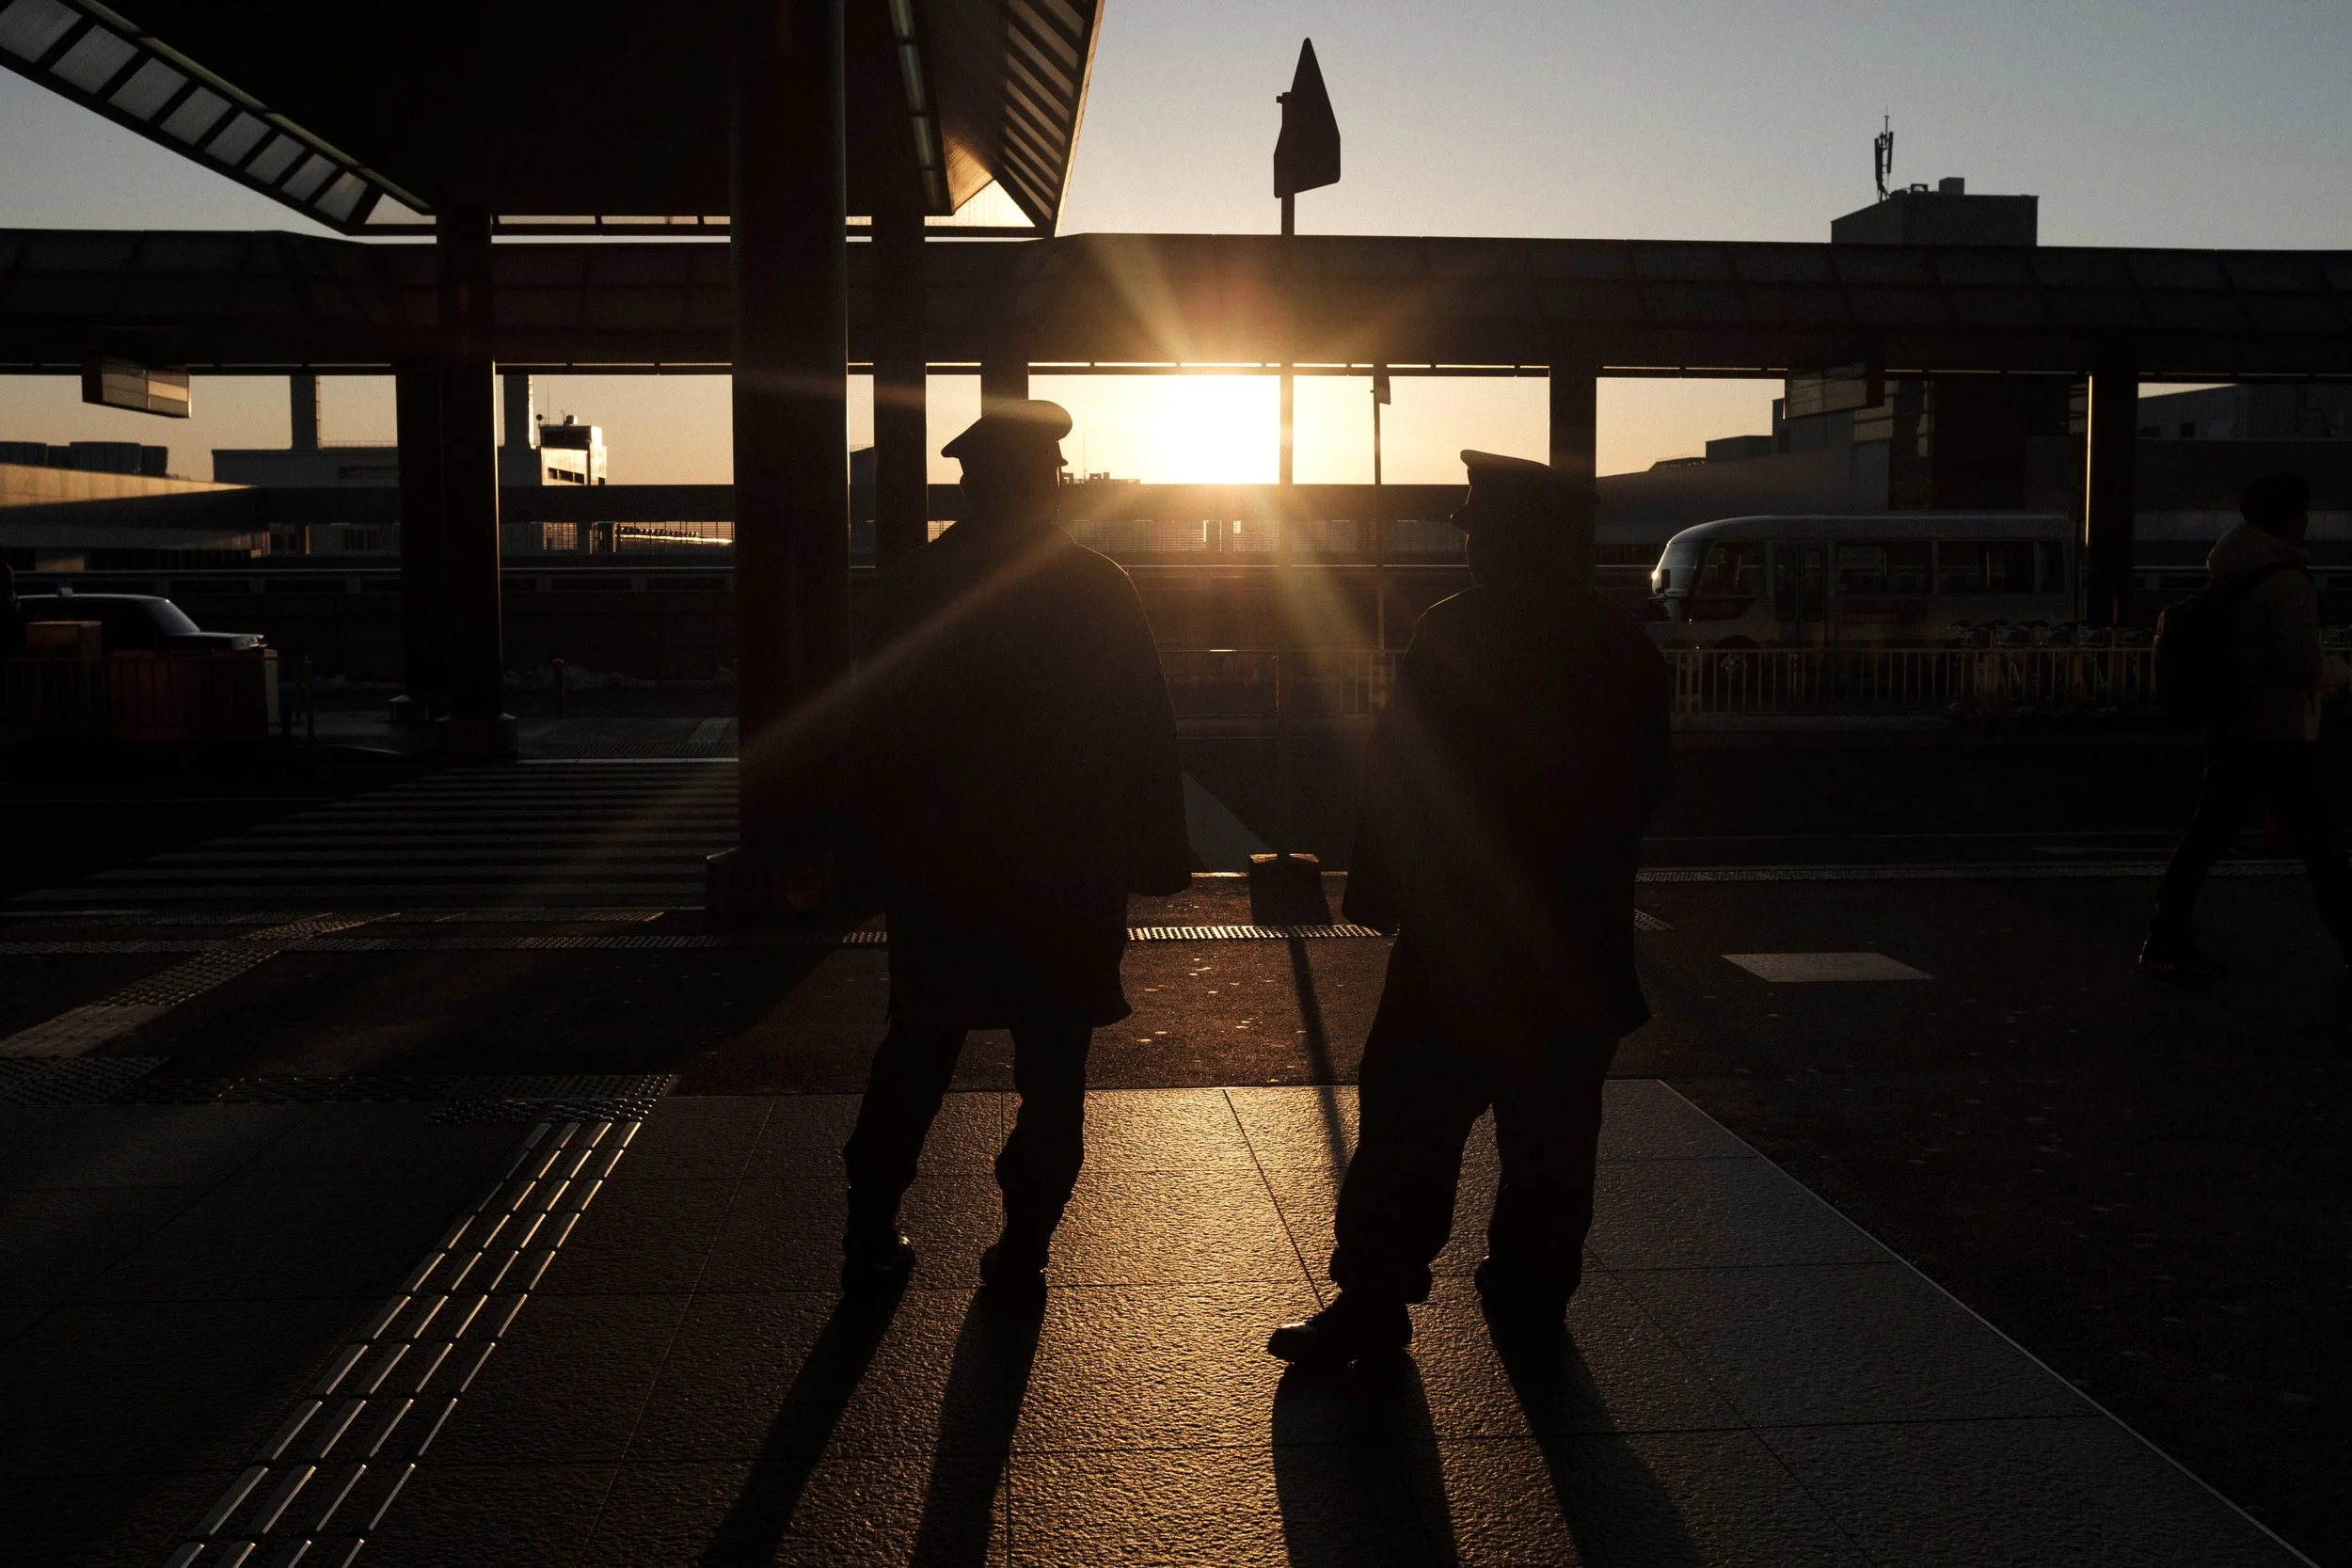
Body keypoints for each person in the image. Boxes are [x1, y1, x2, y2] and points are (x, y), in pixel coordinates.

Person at [1268, 451, 1671, 1366]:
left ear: (1508, 538)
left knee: (1410, 1121)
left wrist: (1383, 895)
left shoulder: (1456, 630)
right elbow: (1648, 787)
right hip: (1572, 942)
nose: (1468, 541)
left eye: (1479, 527)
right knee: (1552, 1134)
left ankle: (1374, 1293)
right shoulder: (1619, 645)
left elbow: (1402, 776)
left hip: (1459, 942)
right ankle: (1532, 1291)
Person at [838, 399, 1190, 1310]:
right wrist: (1155, 855)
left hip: (944, 869)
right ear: (1050, 480)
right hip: (1064, 871)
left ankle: (869, 1233)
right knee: (1053, 1067)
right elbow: (1141, 730)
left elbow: (867, 729)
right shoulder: (1096, 584)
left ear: (969, 479)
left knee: (916, 1046)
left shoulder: (916, 582)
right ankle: (1022, 1248)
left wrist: (867, 851)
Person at [2145, 473, 2352, 993]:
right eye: (2302, 515)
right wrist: (2345, 671)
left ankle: (2165, 940)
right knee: (2325, 850)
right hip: (2278, 735)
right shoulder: (2286, 581)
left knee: (2206, 839)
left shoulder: (2232, 571)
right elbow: (2304, 666)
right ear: (2290, 520)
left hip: (2232, 726)